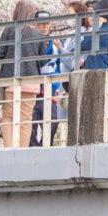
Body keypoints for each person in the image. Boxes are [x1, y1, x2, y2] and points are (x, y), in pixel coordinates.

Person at [0, 0, 45, 148]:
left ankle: (8, 148)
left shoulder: (10, 29)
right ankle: (23, 149)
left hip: (11, 79)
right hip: (31, 80)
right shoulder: (38, 33)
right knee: (26, 118)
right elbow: (43, 60)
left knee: (8, 116)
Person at [29, 10, 64, 147]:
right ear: (35, 24)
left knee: (53, 120)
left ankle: (44, 147)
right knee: (30, 122)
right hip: (33, 85)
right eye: (41, 24)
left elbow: (58, 66)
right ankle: (34, 148)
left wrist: (57, 87)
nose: (44, 27)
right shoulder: (30, 42)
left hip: (49, 87)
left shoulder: (55, 42)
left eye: (47, 24)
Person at [79, 0, 108, 70]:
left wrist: (96, 28)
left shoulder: (103, 31)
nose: (90, 17)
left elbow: (83, 46)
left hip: (100, 74)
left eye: (94, 13)